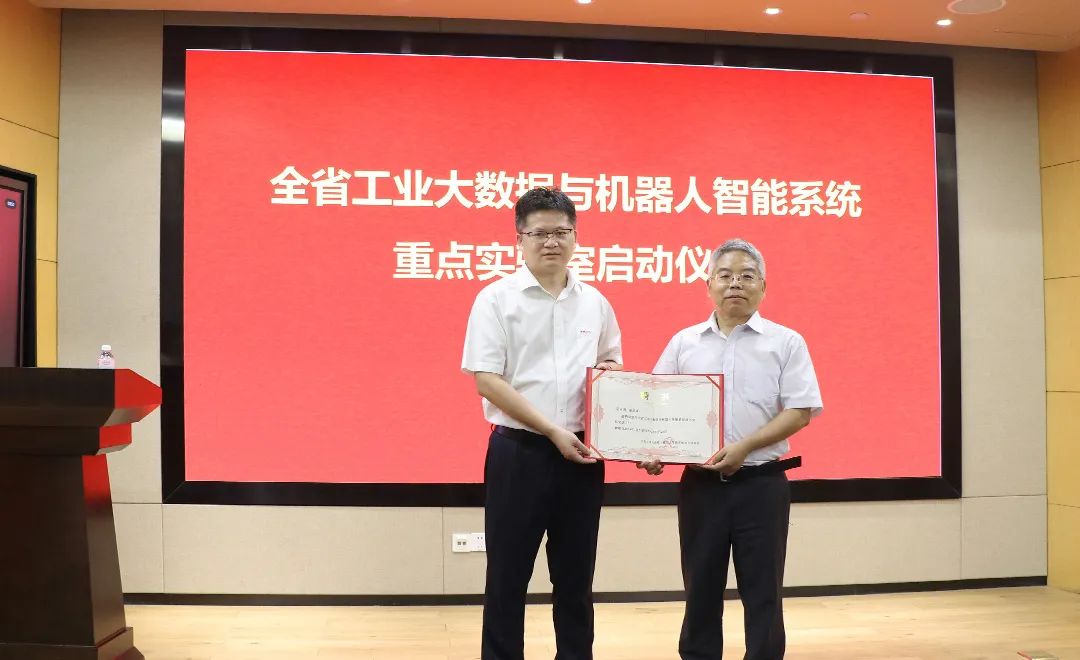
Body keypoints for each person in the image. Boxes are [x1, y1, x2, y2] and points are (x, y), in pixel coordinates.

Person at [639, 238, 822, 660]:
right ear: (708, 285)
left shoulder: (786, 342)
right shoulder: (684, 343)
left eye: (746, 276)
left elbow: (800, 412)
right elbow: (653, 404)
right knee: (700, 587)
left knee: (763, 590)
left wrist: (745, 447)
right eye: (724, 275)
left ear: (763, 287)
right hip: (701, 487)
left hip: (761, 484)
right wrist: (652, 448)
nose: (735, 283)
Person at [462, 187, 623, 660]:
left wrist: (610, 377)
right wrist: (552, 430)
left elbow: (611, 362)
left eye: (561, 232)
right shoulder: (496, 300)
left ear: (575, 237)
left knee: (576, 578)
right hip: (519, 452)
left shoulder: (595, 303)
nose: (552, 241)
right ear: (520, 239)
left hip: (582, 455)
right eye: (540, 233)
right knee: (507, 576)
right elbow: (487, 380)